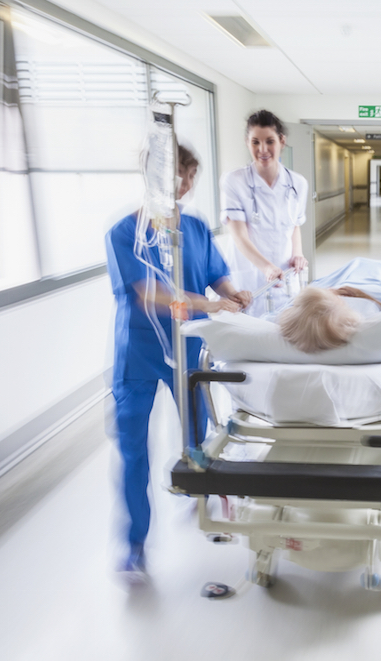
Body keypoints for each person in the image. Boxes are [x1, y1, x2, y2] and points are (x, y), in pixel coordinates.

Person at [106, 144, 252, 582]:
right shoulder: (123, 233)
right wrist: (210, 304)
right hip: (139, 350)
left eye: (191, 176)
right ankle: (134, 543)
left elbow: (214, 271)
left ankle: (200, 496)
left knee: (200, 432)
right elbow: (149, 292)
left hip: (186, 347)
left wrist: (233, 293)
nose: (184, 185)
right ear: (151, 175)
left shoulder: (192, 226)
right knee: (133, 449)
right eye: (177, 175)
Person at [221, 110, 309, 316]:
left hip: (284, 273)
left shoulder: (297, 183)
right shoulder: (234, 181)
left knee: (284, 333)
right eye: (255, 142)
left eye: (270, 141)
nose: (263, 149)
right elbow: (239, 236)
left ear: (282, 141)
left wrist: (297, 254)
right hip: (249, 276)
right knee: (249, 336)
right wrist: (266, 267)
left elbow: (294, 224)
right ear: (247, 143)